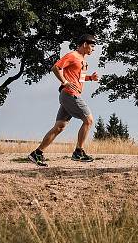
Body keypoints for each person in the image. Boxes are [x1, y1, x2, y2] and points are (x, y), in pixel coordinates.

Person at [28, 34, 100, 167]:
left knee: (59, 127)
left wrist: (91, 78)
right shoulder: (72, 55)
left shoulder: (83, 61)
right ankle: (78, 152)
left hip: (69, 95)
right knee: (89, 120)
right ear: (84, 44)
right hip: (70, 94)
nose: (93, 49)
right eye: (92, 45)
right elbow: (56, 67)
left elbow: (80, 78)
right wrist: (65, 81)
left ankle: (37, 153)